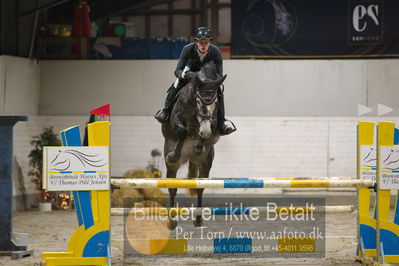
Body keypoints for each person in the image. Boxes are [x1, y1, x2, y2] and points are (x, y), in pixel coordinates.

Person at [154, 26, 236, 135]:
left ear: (209, 42)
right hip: (190, 73)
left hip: (208, 79)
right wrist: (184, 75)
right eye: (201, 42)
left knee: (219, 89)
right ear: (196, 42)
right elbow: (177, 70)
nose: (203, 45)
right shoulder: (187, 49)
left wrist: (211, 81)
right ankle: (165, 110)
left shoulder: (215, 51)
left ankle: (222, 121)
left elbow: (219, 73)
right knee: (176, 83)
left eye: (206, 42)